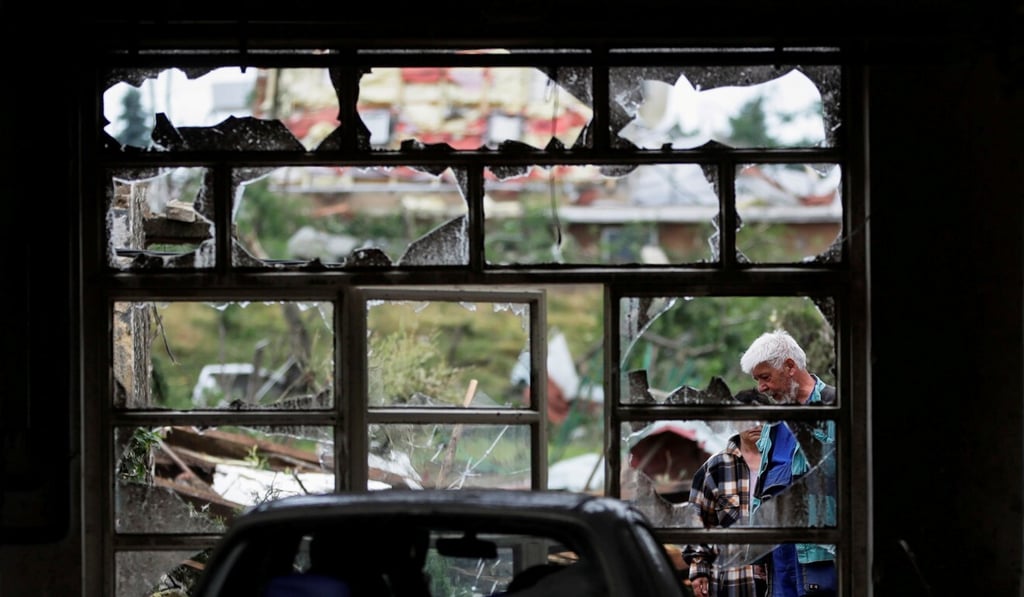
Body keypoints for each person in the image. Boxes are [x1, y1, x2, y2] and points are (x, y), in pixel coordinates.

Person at [740, 329, 837, 597]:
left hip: (821, 549)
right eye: (757, 380)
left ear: (790, 367)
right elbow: (765, 484)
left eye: (765, 377)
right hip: (780, 553)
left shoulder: (834, 406)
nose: (761, 388)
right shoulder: (774, 420)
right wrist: (757, 549)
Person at [683, 389, 769, 597]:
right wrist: (699, 571)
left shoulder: (785, 462)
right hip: (732, 580)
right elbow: (698, 522)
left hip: (780, 578)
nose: (755, 423)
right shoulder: (715, 468)